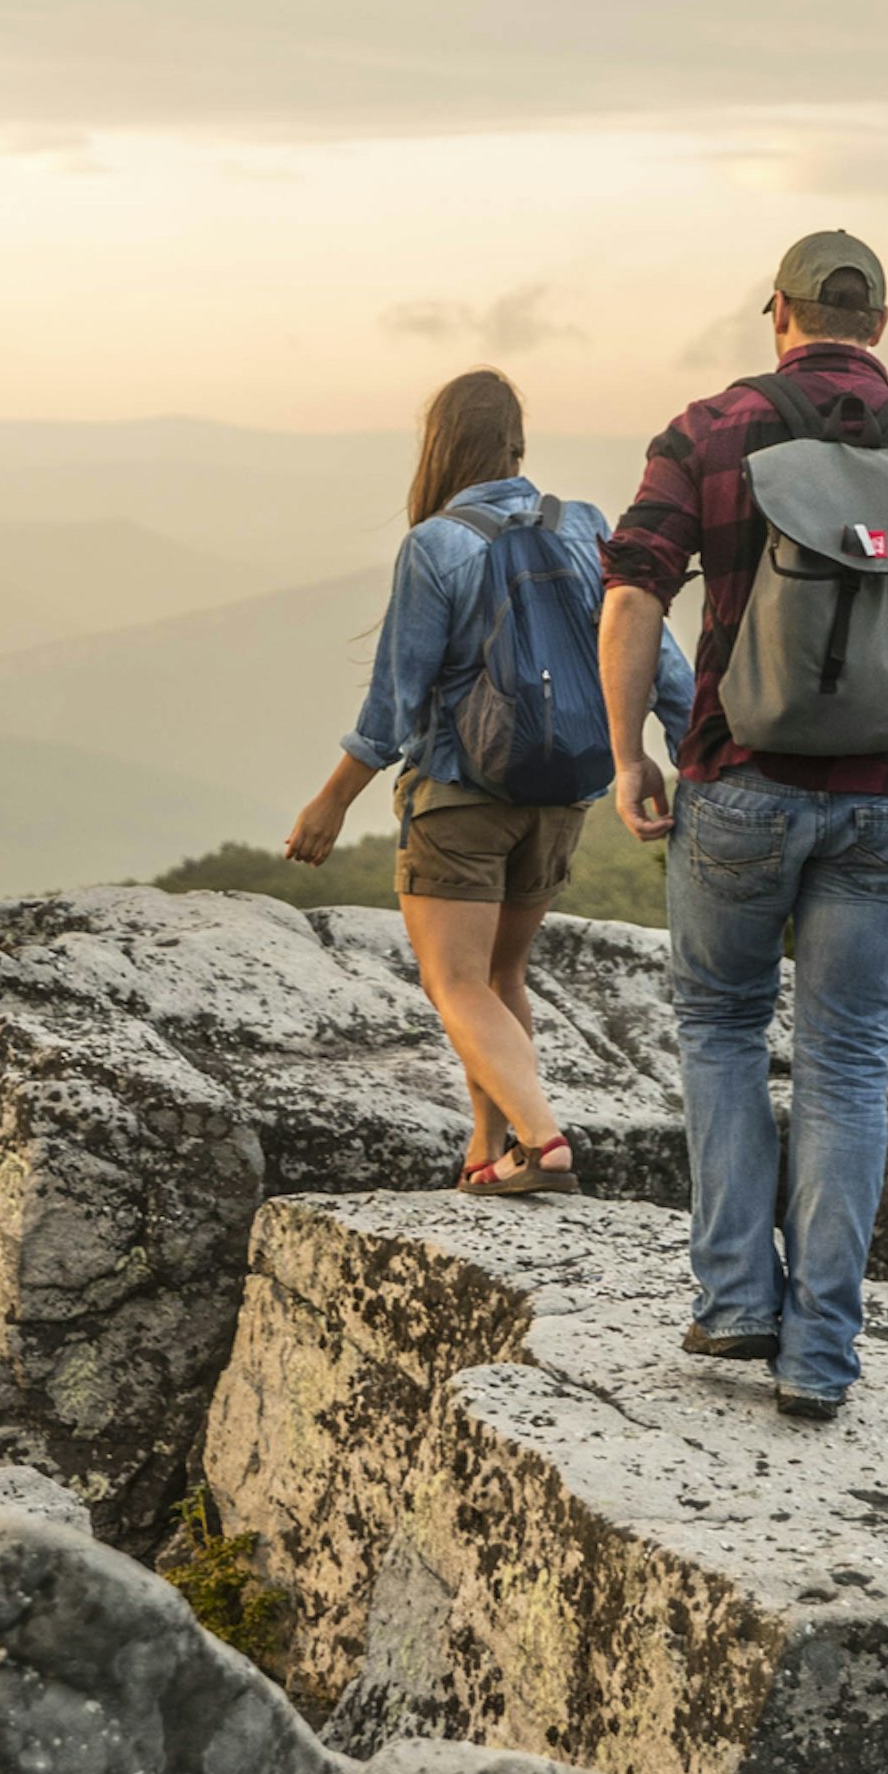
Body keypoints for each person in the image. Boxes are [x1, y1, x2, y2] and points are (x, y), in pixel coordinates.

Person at [596, 230, 888, 1418]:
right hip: (884, 799)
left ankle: (738, 1298)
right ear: (881, 326)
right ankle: (820, 1355)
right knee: (849, 1059)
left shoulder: (709, 429)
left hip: (738, 780)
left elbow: (634, 589)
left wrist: (628, 754)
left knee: (720, 1025)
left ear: (778, 315)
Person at [287, 368, 695, 1191]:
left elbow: (395, 698)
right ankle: (490, 1150)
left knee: (455, 983)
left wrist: (332, 800)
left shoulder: (437, 543)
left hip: (460, 797)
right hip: (559, 794)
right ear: (516, 443)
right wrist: (684, 758)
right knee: (501, 978)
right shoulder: (583, 526)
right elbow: (658, 658)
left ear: (440, 447)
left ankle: (541, 1142)